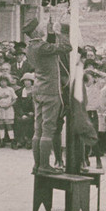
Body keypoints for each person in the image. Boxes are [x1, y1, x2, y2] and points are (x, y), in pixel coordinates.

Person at [24, 18, 72, 175]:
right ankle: (44, 165)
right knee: (48, 130)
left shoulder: (31, 46)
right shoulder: (42, 47)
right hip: (50, 91)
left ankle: (37, 165)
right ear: (37, 31)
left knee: (38, 130)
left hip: (38, 90)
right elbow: (67, 47)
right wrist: (60, 32)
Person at [0, 74, 18, 149]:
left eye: (5, 81)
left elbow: (15, 99)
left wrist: (9, 105)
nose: (3, 83)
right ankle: (2, 141)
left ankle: (12, 141)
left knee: (9, 125)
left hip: (8, 109)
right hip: (0, 109)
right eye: (1, 81)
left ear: (7, 82)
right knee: (1, 125)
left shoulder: (10, 89)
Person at [15, 72, 35, 149]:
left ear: (31, 82)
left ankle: (29, 140)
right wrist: (22, 114)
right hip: (22, 112)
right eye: (25, 80)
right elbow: (18, 105)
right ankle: (20, 140)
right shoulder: (20, 92)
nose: (27, 82)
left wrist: (33, 112)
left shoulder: (35, 91)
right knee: (19, 120)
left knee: (30, 122)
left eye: (28, 80)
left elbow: (36, 104)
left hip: (32, 113)